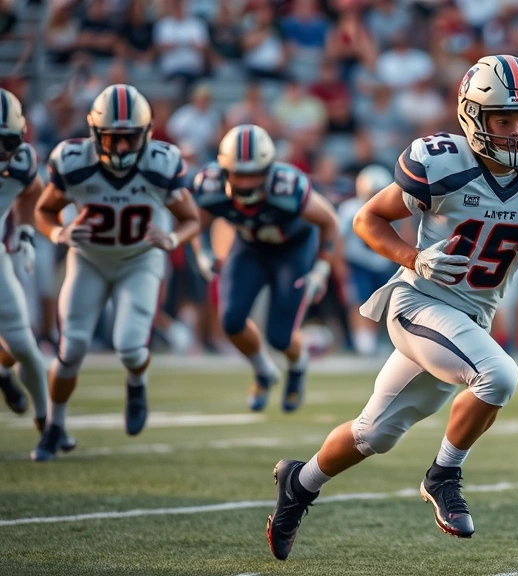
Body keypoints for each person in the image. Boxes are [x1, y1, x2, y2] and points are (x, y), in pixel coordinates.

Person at [265, 55, 518, 560]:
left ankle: (299, 483)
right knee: (497, 375)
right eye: (502, 120)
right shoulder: (444, 166)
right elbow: (367, 219)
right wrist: (413, 257)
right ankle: (444, 474)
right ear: (473, 118)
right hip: (417, 303)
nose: (516, 132)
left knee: (373, 434)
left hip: (468, 319)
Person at [32, 84, 201, 461]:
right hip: (88, 259)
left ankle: (136, 382)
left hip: (139, 261)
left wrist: (172, 238)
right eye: (113, 138)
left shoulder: (160, 164)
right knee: (71, 348)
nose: (122, 148)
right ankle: (54, 426)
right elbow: (43, 211)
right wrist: (59, 231)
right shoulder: (73, 161)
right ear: (95, 133)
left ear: (145, 135)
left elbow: (191, 219)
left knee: (128, 345)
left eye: (129, 138)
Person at [192, 124, 339, 412]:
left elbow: (329, 222)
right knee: (231, 321)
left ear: (269, 169)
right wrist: (203, 252)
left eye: (254, 174)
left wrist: (321, 269)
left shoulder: (287, 187)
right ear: (224, 169)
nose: (246, 183)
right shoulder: (210, 187)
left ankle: (297, 366)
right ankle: (263, 371)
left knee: (280, 336)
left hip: (292, 251)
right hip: (249, 248)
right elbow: (196, 223)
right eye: (240, 174)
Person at [0, 89, 65, 450]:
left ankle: (47, 423)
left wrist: (24, 233)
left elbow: (31, 190)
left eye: (4, 141)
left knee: (24, 343)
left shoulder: (20, 161)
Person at [336, 164, 401, 356]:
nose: (375, 195)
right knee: (359, 300)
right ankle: (363, 342)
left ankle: (377, 341)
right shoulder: (350, 209)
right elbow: (339, 239)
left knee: (384, 303)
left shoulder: (393, 209)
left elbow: (403, 235)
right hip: (358, 263)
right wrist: (340, 264)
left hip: (383, 262)